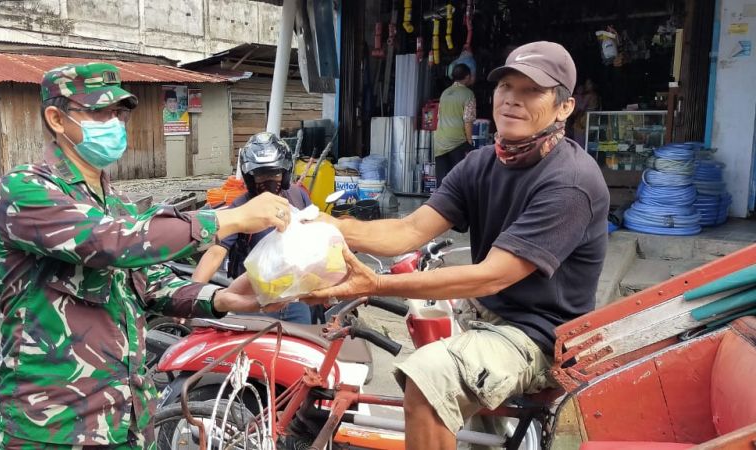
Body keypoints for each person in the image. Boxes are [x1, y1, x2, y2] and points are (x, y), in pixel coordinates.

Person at [302, 41, 609, 450]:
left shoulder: (570, 181)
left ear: (564, 107)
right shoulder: (482, 163)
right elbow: (408, 230)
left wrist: (373, 284)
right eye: (505, 88)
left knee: (429, 379)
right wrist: (318, 223)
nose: (512, 101)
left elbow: (491, 277)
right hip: (485, 318)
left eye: (531, 91)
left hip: (536, 337)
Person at [0, 62, 292, 450]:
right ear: (57, 119)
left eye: (118, 113)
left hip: (125, 419)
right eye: (98, 112)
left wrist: (220, 298)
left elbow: (152, 282)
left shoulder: (118, 204)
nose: (114, 123)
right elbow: (109, 242)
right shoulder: (24, 190)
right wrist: (227, 219)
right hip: (50, 427)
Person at [192, 131, 314, 324]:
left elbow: (317, 242)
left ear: (285, 173)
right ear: (250, 177)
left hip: (296, 300)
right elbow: (216, 252)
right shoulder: (241, 208)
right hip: (254, 301)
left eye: (274, 172)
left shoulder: (298, 197)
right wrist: (191, 297)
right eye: (260, 174)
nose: (268, 180)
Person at [433, 63, 477, 187]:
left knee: (442, 180)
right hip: (457, 142)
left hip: (440, 141)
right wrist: (469, 144)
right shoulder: (468, 94)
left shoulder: (445, 93)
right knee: (458, 178)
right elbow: (468, 121)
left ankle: (439, 204)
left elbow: (438, 117)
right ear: (467, 76)